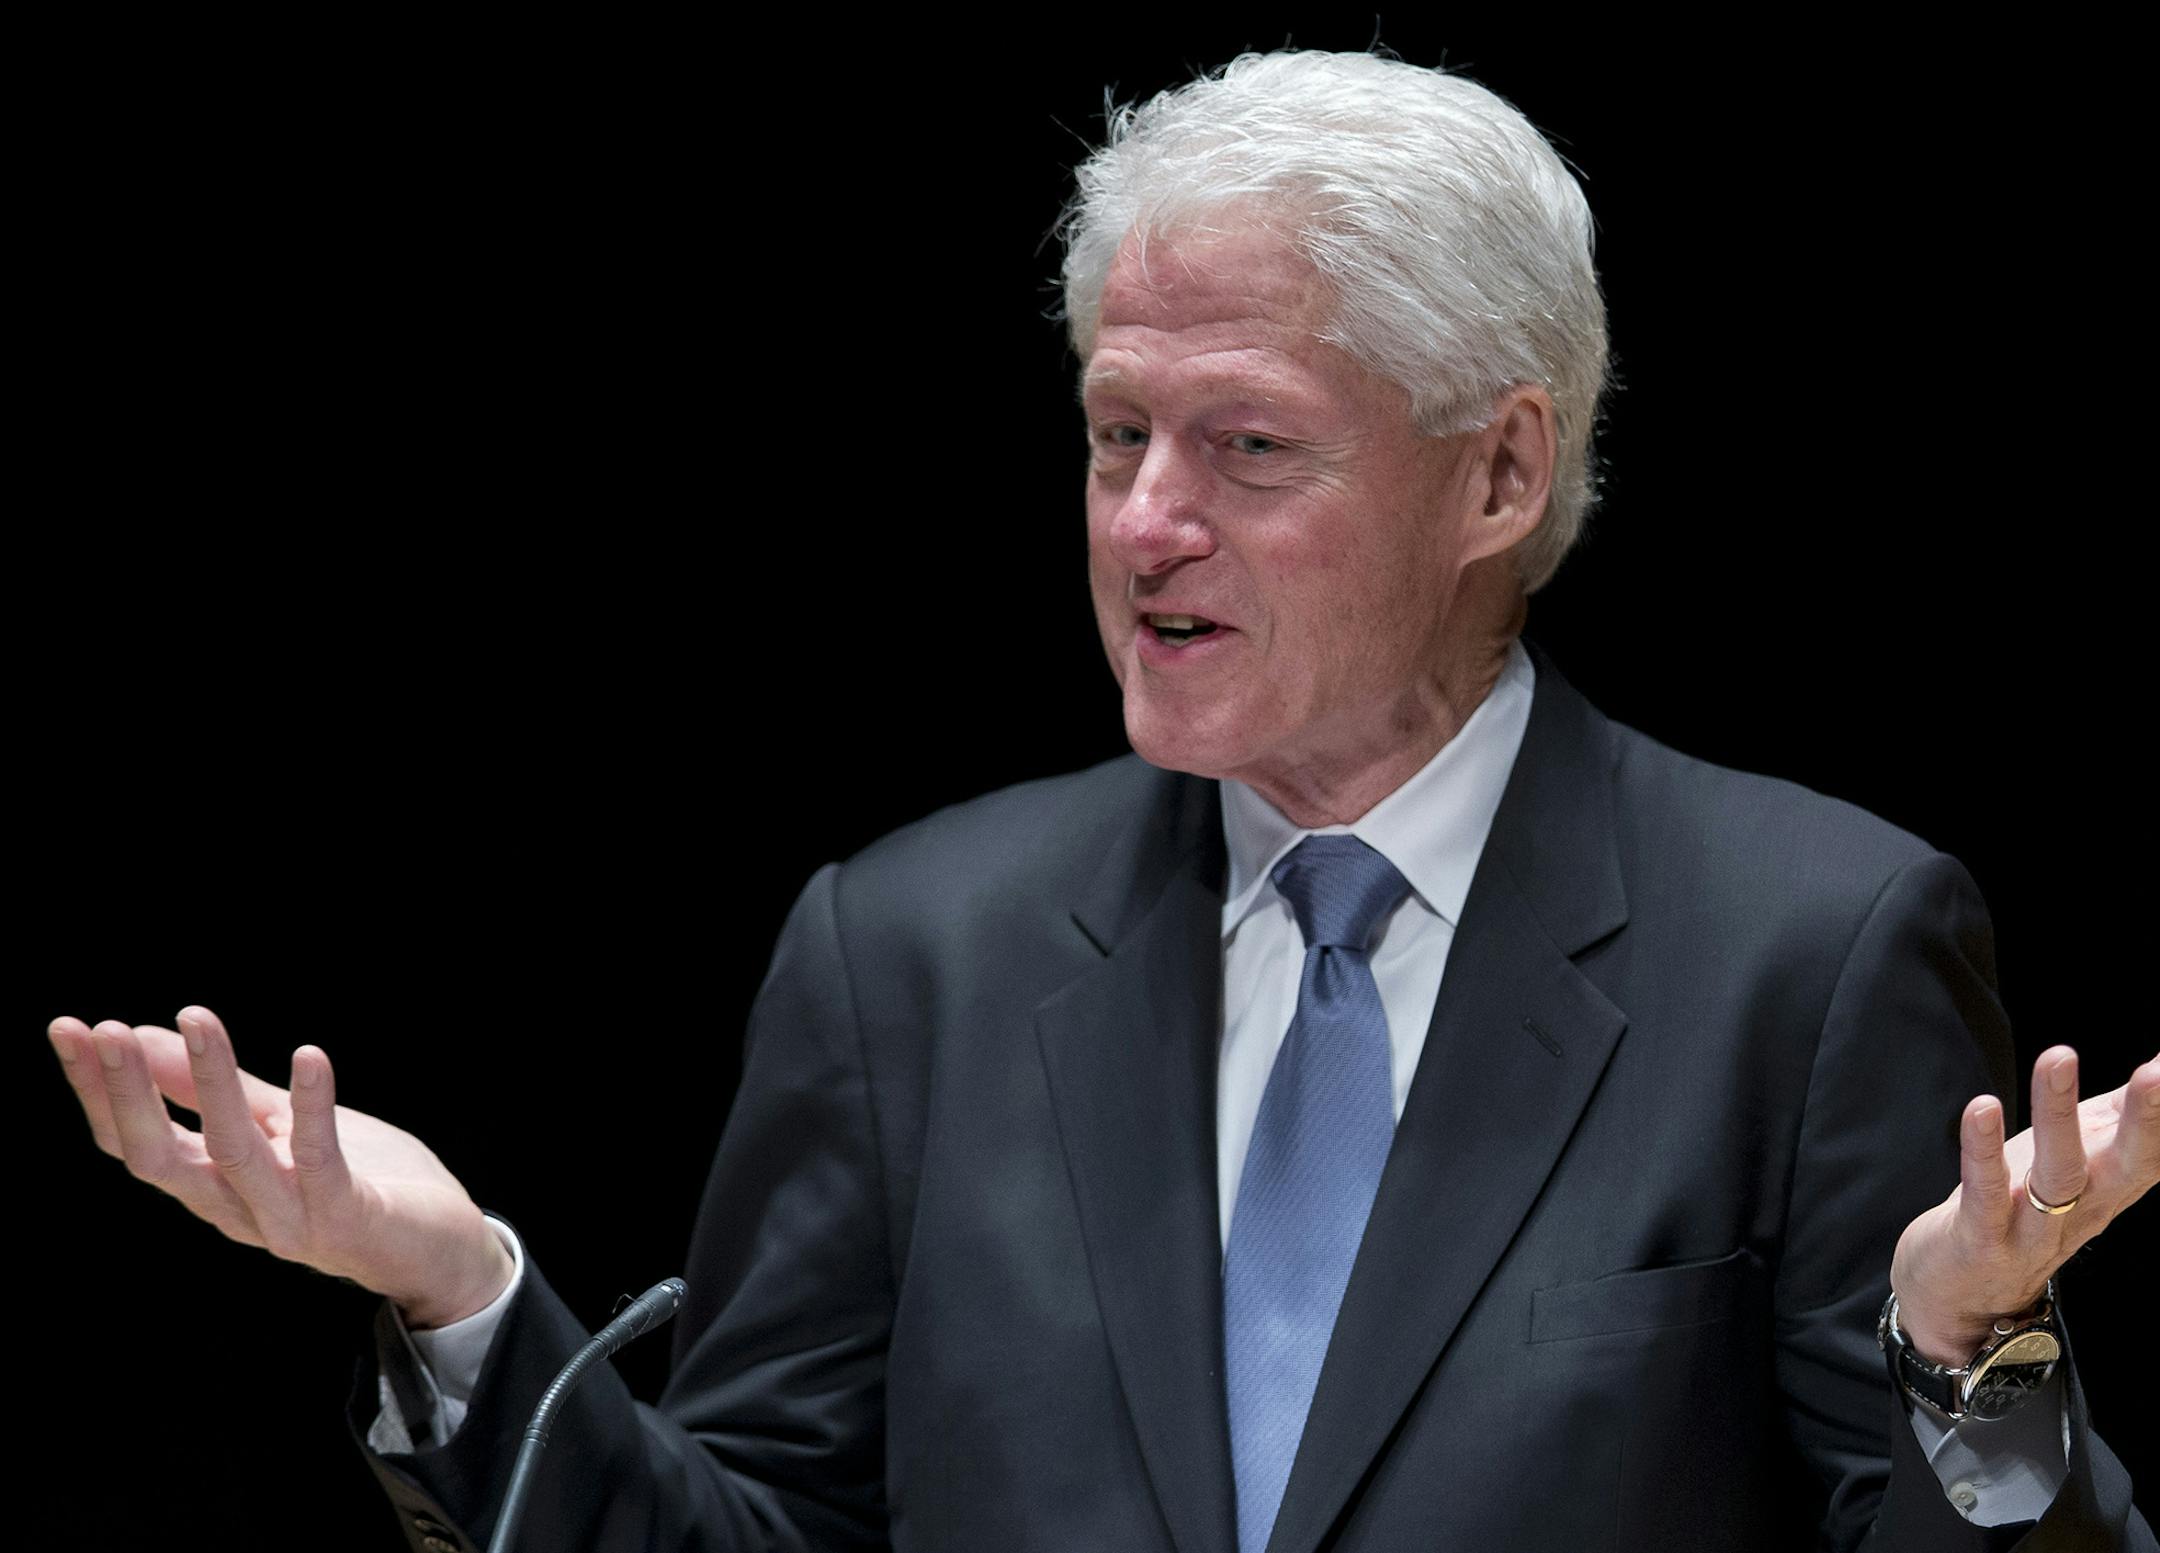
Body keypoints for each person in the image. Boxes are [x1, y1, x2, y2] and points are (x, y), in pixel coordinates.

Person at [48, 49, 2157, 1553]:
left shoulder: (1811, 947)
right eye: (1112, 433)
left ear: (1500, 477)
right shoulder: (914, 952)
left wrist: (1968, 1364)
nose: (1143, 527)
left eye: (1246, 451)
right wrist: (466, 1299)